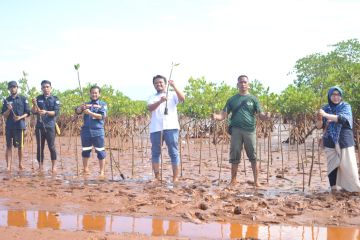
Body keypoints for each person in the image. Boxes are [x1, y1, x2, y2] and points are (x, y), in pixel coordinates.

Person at [213, 75, 270, 187]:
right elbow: (223, 115)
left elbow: (261, 115)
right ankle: (233, 180)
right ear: (237, 84)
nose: (243, 84)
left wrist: (266, 116)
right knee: (234, 155)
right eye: (241, 82)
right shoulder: (232, 99)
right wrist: (216, 116)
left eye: (245, 82)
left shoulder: (253, 99)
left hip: (250, 131)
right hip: (236, 131)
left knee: (253, 156)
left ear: (248, 84)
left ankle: (256, 181)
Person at [316, 86, 360, 192]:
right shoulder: (325, 108)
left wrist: (326, 115)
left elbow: (343, 119)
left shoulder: (345, 106)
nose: (336, 97)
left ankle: (353, 188)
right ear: (329, 96)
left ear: (341, 96)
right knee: (332, 165)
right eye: (333, 95)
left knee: (348, 165)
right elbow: (318, 126)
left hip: (344, 140)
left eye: (338, 95)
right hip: (329, 141)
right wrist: (320, 117)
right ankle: (334, 188)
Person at [147, 75, 185, 182]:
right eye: (156, 83)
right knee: (155, 152)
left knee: (173, 152)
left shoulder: (172, 94)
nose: (158, 84)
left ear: (165, 84)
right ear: (154, 85)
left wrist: (174, 85)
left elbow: (182, 98)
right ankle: (157, 177)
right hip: (156, 129)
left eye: (161, 82)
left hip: (171, 127)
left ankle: (175, 178)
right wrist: (160, 101)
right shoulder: (152, 97)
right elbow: (150, 108)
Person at [75, 86, 107, 177]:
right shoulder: (86, 104)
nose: (94, 94)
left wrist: (90, 113)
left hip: (98, 131)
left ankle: (101, 172)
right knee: (85, 151)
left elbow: (102, 116)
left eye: (96, 93)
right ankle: (85, 169)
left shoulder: (102, 104)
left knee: (101, 152)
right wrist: (80, 108)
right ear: (90, 94)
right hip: (86, 131)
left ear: (99, 94)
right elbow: (77, 112)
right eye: (92, 93)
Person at [31, 80, 60, 173]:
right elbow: (33, 111)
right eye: (43, 87)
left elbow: (56, 112)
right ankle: (40, 166)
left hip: (50, 126)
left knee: (51, 147)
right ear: (41, 89)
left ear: (51, 88)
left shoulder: (55, 99)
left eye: (47, 87)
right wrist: (34, 104)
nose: (45, 89)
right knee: (40, 147)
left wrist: (46, 112)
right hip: (39, 127)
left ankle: (54, 166)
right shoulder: (38, 98)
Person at [1, 81, 30, 171]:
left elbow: (28, 113)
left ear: (17, 87)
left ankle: (20, 164)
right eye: (11, 87)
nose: (12, 88)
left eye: (14, 87)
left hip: (20, 126)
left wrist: (20, 117)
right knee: (8, 146)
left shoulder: (23, 98)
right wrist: (9, 110)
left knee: (20, 147)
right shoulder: (6, 100)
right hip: (9, 127)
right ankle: (8, 166)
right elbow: (3, 115)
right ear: (9, 89)